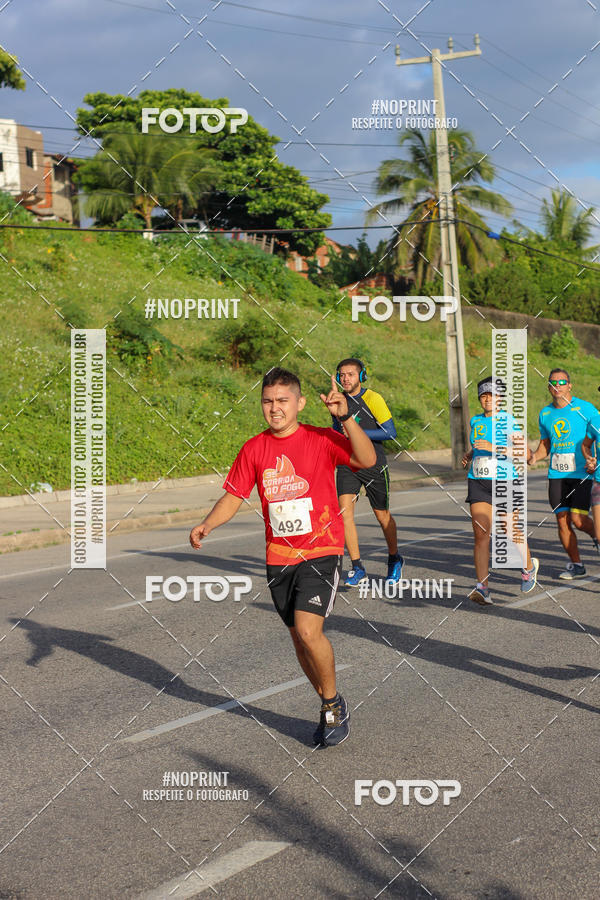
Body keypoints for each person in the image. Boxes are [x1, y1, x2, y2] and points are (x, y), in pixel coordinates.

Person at [189, 367, 376, 747]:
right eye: (268, 401)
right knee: (298, 639)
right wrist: (208, 524)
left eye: (283, 401)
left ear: (300, 403)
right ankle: (330, 700)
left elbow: (367, 458)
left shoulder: (322, 439)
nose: (275, 409)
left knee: (309, 631)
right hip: (279, 558)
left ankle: (332, 707)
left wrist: (346, 417)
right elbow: (234, 496)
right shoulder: (254, 449)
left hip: (321, 551)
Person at [462, 376, 539, 605]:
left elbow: (525, 455)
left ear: (500, 398)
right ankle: (482, 587)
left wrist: (494, 448)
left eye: (493, 395)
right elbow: (479, 445)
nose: (488, 399)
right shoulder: (476, 421)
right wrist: (470, 454)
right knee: (480, 534)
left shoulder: (508, 420)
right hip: (478, 481)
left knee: (508, 529)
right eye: (484, 395)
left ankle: (528, 568)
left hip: (505, 481)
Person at [332, 358, 404, 587]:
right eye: (342, 375)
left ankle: (394, 558)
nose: (345, 379)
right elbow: (337, 432)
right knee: (344, 515)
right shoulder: (338, 400)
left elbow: (390, 432)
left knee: (382, 515)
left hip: (373, 463)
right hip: (348, 463)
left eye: (351, 374)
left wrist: (357, 432)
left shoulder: (373, 398)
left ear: (361, 376)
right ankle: (357, 566)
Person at [528, 368, 599, 579]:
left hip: (581, 473)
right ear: (549, 387)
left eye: (562, 382)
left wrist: (593, 460)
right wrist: (532, 457)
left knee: (578, 519)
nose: (557, 386)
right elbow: (545, 446)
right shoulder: (545, 414)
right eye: (553, 383)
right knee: (562, 519)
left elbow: (595, 436)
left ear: (570, 385)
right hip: (557, 474)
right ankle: (577, 565)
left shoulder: (586, 409)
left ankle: (597, 535)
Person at [581, 400, 600, 554]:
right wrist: (589, 459)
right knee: (599, 535)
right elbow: (585, 445)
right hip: (599, 482)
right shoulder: (595, 421)